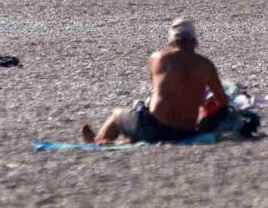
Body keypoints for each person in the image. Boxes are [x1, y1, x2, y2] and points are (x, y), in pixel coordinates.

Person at [81, 18, 228, 144]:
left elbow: (159, 88)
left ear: (172, 40)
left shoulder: (158, 59)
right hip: (186, 130)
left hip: (157, 127)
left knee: (117, 115)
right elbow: (222, 101)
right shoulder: (206, 65)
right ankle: (123, 138)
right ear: (194, 40)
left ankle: (99, 140)